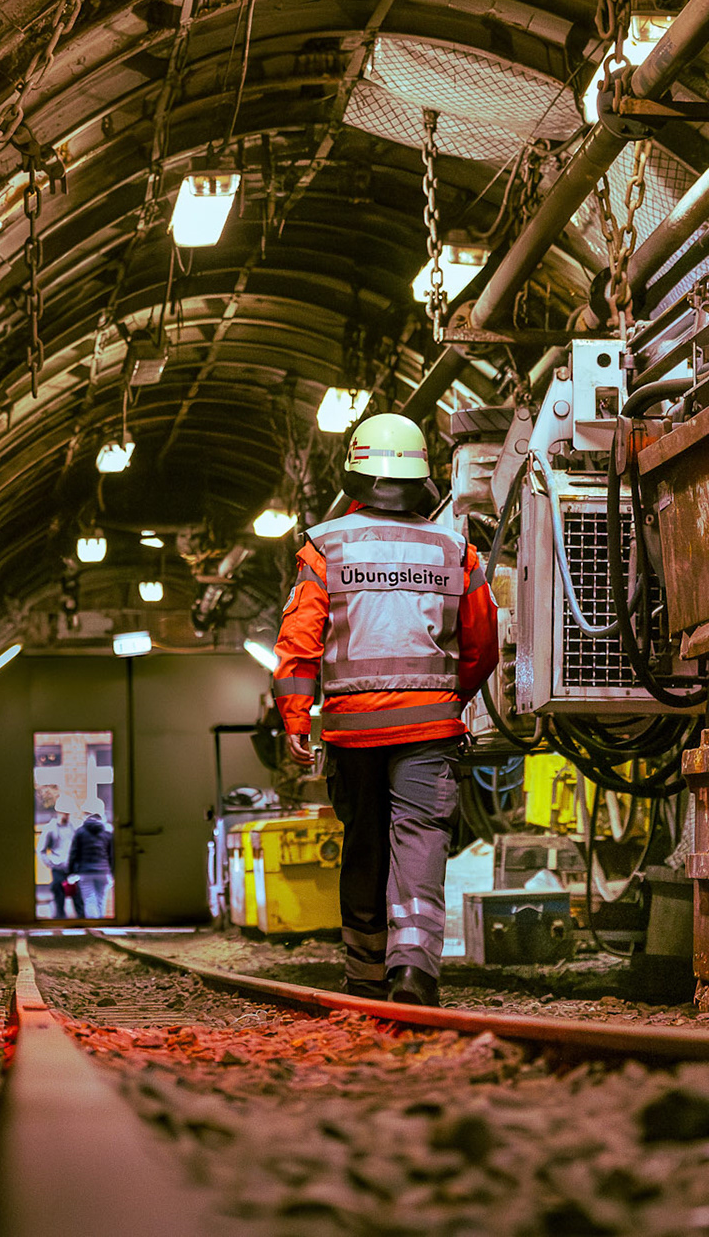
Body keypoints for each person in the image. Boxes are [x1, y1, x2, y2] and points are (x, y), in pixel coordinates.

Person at [271, 412, 500, 1007]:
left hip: (352, 735)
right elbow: (483, 644)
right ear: (424, 476)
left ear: (355, 474)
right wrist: (452, 697)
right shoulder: (457, 549)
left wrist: (298, 721)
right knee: (421, 838)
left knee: (365, 841)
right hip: (429, 730)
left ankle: (365, 977)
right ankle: (414, 971)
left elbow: (299, 641)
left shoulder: (326, 545)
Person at [67, 810, 114, 920]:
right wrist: (112, 872)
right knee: (101, 899)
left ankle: (93, 924)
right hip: (104, 871)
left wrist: (71, 871)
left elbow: (74, 853)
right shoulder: (107, 832)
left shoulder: (80, 832)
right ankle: (101, 924)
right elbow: (112, 855)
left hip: (85, 872)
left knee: (89, 899)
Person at [37, 806, 80, 919]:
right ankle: (60, 917)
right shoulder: (50, 828)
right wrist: (50, 863)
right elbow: (41, 849)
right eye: (64, 813)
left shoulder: (74, 827)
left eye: (68, 813)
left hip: (72, 866)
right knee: (58, 893)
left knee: (77, 894)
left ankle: (81, 919)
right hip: (58, 866)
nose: (66, 816)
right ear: (58, 812)